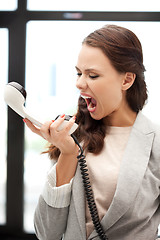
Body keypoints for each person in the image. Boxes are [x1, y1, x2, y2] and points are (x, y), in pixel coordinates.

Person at [24, 24, 160, 240]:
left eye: (92, 75)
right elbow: (47, 233)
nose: (79, 83)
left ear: (127, 80)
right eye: (78, 73)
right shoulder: (72, 136)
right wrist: (67, 154)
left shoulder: (155, 142)